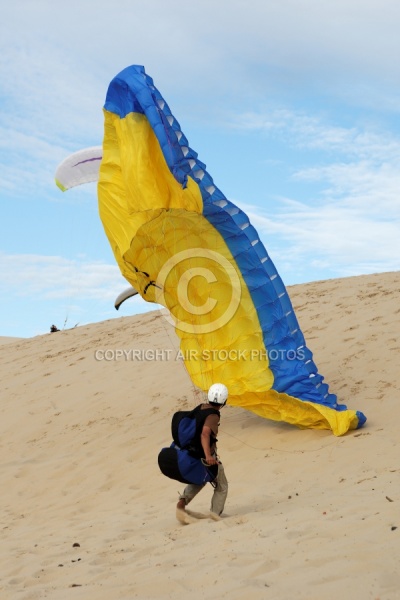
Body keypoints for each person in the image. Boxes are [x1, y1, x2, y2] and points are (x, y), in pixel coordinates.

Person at [176, 383, 229, 517]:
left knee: (201, 478)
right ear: (224, 401)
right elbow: (205, 433)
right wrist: (208, 456)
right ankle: (214, 515)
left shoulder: (201, 407)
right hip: (205, 455)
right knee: (221, 486)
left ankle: (183, 500)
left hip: (193, 452)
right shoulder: (213, 415)